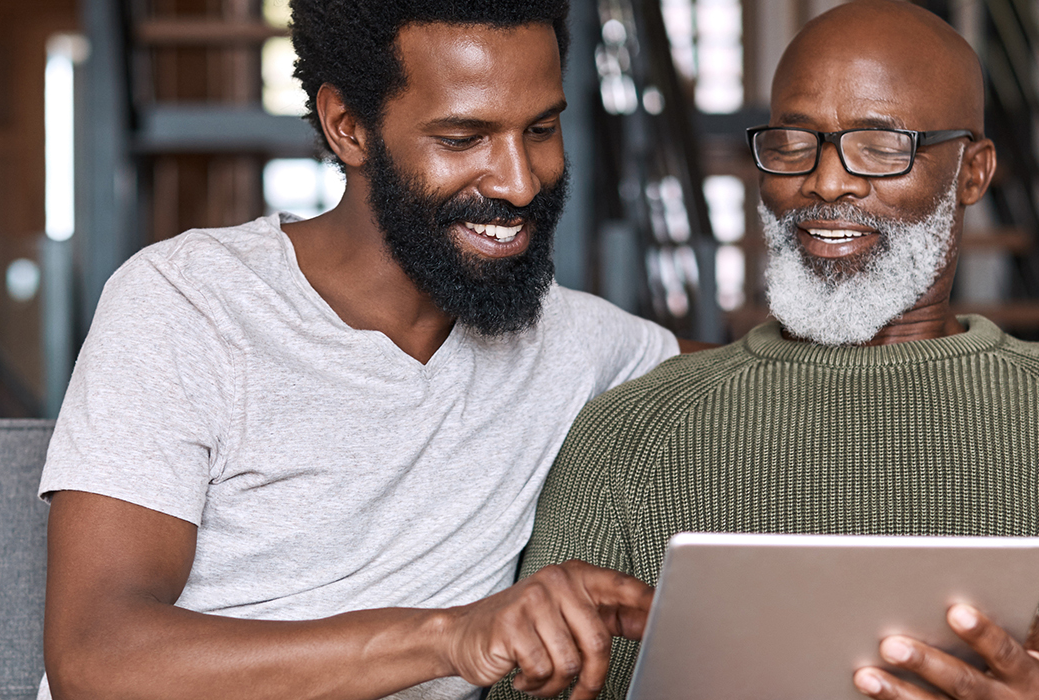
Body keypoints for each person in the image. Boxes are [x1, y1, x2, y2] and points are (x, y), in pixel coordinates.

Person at [494, 2, 1039, 700]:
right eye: (794, 142)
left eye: (881, 145)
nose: (827, 182)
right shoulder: (630, 431)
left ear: (973, 171)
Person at [39, 3, 662, 700]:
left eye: (541, 129)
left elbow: (761, 371)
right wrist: (448, 636)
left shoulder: (576, 342)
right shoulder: (190, 304)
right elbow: (95, 659)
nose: (519, 181)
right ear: (348, 127)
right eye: (463, 138)